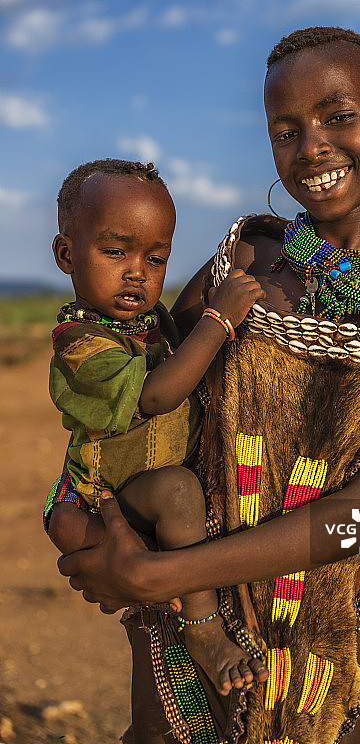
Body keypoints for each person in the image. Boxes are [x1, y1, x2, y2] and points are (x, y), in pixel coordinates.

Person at [49, 28, 360, 744]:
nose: (310, 145)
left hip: (319, 626)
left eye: (336, 117)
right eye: (285, 130)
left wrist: (159, 574)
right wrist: (82, 519)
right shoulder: (247, 260)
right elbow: (133, 397)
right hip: (187, 614)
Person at [46, 158, 268, 697]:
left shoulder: (152, 325)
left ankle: (159, 584)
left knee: (172, 514)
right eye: (115, 251)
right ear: (66, 254)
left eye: (156, 257)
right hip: (89, 505)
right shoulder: (80, 346)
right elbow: (157, 393)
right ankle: (204, 627)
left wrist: (237, 257)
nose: (137, 271)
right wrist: (220, 320)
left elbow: (185, 327)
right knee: (175, 495)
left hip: (137, 497)